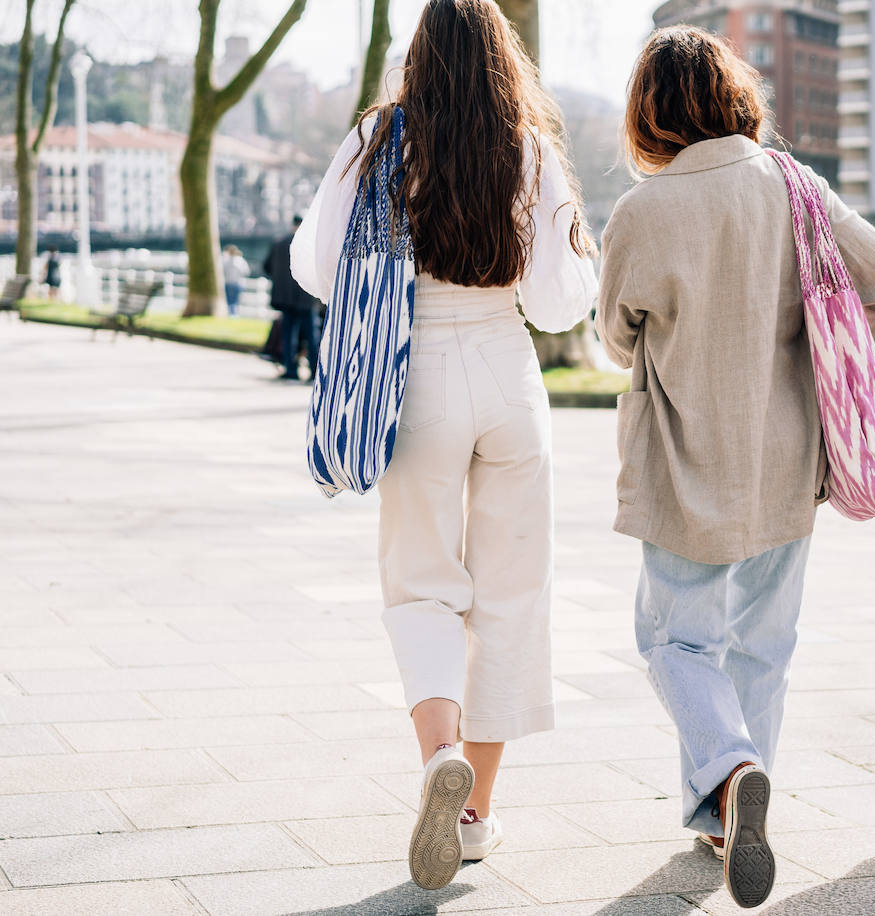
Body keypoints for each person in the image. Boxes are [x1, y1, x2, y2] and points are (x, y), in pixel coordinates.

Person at [597, 26, 875, 910]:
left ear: (650, 114)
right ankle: (730, 810)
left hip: (686, 460)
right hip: (788, 456)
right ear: (733, 94)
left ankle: (732, 775)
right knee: (762, 646)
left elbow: (616, 338)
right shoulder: (795, 185)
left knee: (672, 638)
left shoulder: (642, 213)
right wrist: (829, 353)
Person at [291, 0, 595, 890]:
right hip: (507, 369)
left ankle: (437, 759)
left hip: (411, 369)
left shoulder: (376, 139)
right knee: (510, 596)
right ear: (506, 61)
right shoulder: (529, 150)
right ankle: (474, 815)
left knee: (421, 584)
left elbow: (315, 266)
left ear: (417, 54)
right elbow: (561, 304)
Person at [264, 216, 320, 380]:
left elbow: (267, 267)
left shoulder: (279, 243)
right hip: (307, 298)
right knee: (312, 336)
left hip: (285, 299)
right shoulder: (311, 244)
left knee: (288, 334)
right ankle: (314, 370)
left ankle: (290, 370)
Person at [221, 245, 249, 316]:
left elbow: (222, 271)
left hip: (229, 283)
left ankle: (231, 314)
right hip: (237, 283)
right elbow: (246, 271)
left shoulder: (226, 260)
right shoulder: (241, 260)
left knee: (230, 301)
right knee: (235, 301)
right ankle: (233, 314)